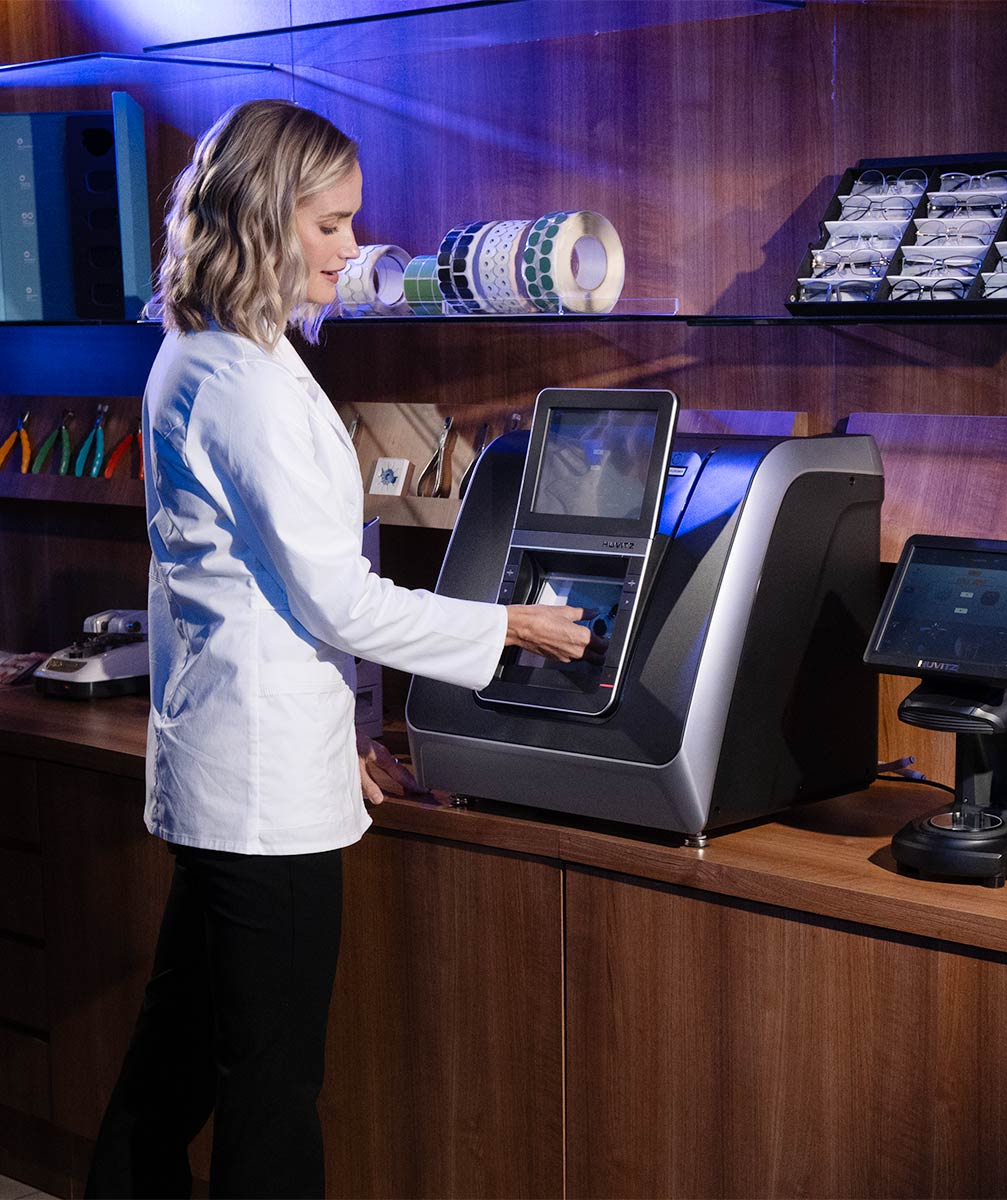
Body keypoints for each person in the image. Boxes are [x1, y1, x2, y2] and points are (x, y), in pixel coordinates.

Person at [85, 99, 594, 1200]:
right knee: (269, 1093)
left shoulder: (217, 354)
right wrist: (506, 626)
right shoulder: (241, 383)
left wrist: (341, 744)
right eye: (328, 225)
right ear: (262, 218)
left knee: (175, 1065)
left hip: (247, 767)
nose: (351, 249)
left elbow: (262, 596)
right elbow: (336, 601)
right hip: (257, 795)